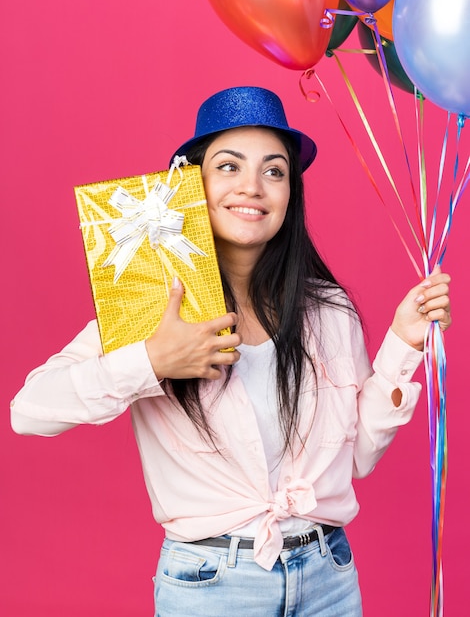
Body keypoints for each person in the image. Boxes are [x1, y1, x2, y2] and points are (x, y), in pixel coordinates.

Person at [11, 86, 451, 616]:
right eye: (228, 166)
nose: (252, 187)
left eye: (274, 171)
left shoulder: (328, 310)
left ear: (291, 193)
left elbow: (356, 461)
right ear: (192, 184)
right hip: (212, 586)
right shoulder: (153, 310)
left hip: (328, 578)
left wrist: (403, 343)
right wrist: (152, 362)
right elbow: (28, 411)